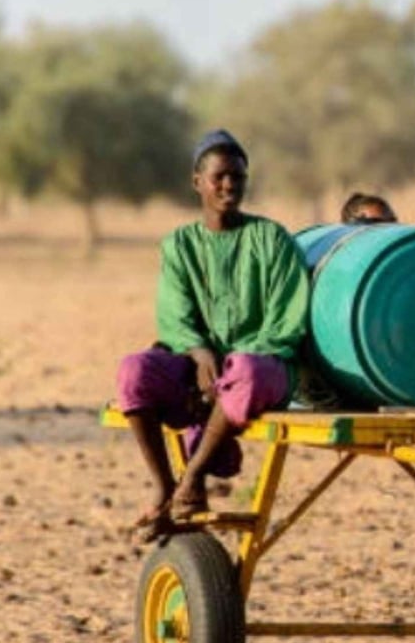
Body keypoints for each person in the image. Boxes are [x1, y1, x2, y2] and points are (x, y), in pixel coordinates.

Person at [117, 129, 311, 541]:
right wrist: (198, 351)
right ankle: (165, 486)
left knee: (246, 371)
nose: (229, 186)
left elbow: (286, 321)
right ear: (197, 182)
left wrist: (226, 371)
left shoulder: (271, 239)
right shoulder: (180, 245)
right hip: (198, 365)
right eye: (220, 176)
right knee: (134, 371)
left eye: (238, 178)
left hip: (261, 368)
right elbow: (175, 314)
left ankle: (193, 479)